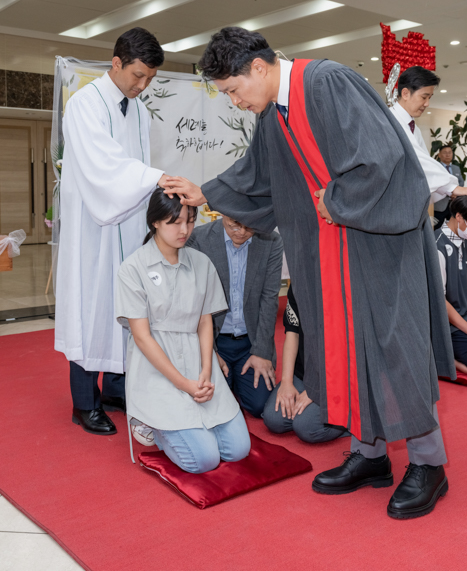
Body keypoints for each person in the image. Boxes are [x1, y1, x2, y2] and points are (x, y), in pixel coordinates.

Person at [163, 27, 455, 519]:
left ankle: (430, 465)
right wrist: (206, 193)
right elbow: (257, 177)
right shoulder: (275, 115)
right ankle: (370, 455)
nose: (235, 102)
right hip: (332, 257)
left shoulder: (326, 83)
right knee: (347, 352)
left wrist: (337, 202)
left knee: (394, 351)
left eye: (233, 90)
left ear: (258, 67)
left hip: (378, 248)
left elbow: (382, 159)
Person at [55, 27, 172, 436]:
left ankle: (115, 388)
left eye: (150, 79)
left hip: (127, 223)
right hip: (94, 229)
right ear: (116, 63)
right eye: (138, 75)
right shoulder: (84, 104)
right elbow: (104, 168)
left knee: (127, 303)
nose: (143, 85)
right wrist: (157, 177)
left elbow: (132, 169)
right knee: (93, 307)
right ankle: (84, 403)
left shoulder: (137, 108)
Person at [115, 189, 251, 473]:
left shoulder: (201, 263)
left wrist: (205, 370)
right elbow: (141, 336)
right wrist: (183, 384)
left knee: (238, 451)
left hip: (198, 360)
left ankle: (193, 428)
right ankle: (154, 425)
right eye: (174, 222)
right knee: (203, 460)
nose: (184, 230)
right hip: (157, 365)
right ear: (154, 222)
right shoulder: (132, 269)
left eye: (189, 221)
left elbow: (204, 322)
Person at [186, 214, 283, 417]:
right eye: (234, 226)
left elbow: (269, 299)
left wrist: (262, 352)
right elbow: (193, 303)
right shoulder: (199, 239)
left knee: (259, 405)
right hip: (214, 339)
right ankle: (230, 379)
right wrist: (209, 352)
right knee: (210, 401)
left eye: (249, 228)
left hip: (250, 342)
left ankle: (236, 379)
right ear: (223, 214)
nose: (241, 233)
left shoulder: (271, 241)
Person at [263, 284, 348, 442]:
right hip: (305, 372)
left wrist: (318, 390)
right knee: (274, 420)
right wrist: (287, 383)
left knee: (307, 427)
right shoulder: (298, 283)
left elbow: (345, 347)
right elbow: (292, 334)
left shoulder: (337, 284)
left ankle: (353, 420)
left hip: (336, 377)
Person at [390, 66, 467, 216]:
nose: (427, 104)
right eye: (424, 97)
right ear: (405, 93)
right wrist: (451, 187)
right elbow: (418, 162)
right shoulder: (391, 122)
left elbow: (423, 164)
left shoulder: (413, 127)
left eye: (429, 98)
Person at [435, 196, 467, 374]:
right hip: (452, 327)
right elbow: (441, 302)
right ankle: (449, 360)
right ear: (459, 216)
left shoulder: (463, 240)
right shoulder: (438, 245)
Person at [434, 146, 464, 229]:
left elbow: (460, 182)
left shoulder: (456, 168)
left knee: (453, 228)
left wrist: (456, 193)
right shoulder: (435, 168)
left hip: (454, 204)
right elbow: (435, 183)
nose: (447, 155)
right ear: (439, 155)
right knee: (437, 228)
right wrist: (451, 192)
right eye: (445, 152)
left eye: (450, 152)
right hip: (440, 205)